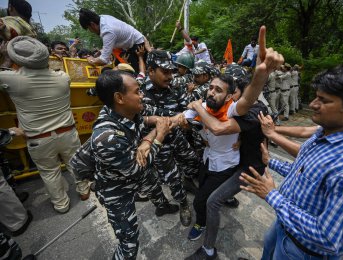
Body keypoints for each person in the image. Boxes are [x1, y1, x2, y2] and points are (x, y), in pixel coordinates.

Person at [240, 60, 343, 259]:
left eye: (324, 100)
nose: (313, 105)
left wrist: (272, 195)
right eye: (316, 97)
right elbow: (306, 176)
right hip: (285, 225)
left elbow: (328, 239)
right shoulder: (327, 131)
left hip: (301, 250)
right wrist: (271, 161)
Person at [184, 26, 284, 259]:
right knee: (212, 189)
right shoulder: (234, 106)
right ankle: (227, 197)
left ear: (233, 94)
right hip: (231, 160)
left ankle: (209, 250)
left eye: (224, 89)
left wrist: (198, 106)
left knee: (210, 201)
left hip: (248, 167)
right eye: (210, 88)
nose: (212, 93)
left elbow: (221, 126)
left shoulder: (247, 109)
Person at [91, 70, 179, 260]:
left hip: (139, 170)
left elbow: (145, 120)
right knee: (129, 243)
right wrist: (159, 136)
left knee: (154, 186)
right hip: (117, 188)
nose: (142, 96)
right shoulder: (106, 138)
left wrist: (148, 135)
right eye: (138, 91)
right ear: (119, 97)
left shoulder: (124, 109)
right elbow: (138, 169)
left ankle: (162, 206)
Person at [0, 36, 90, 213]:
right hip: (68, 133)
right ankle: (84, 191)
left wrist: (6, 58)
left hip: (38, 139)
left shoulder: (12, 80)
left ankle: (61, 204)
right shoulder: (62, 78)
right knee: (75, 164)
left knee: (50, 173)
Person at [140, 50, 200, 226]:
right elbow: (137, 120)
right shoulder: (138, 91)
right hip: (158, 146)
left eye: (172, 71)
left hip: (178, 138)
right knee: (172, 179)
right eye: (165, 72)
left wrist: (185, 120)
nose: (170, 76)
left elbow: (186, 110)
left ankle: (188, 181)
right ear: (150, 71)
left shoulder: (176, 88)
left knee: (192, 162)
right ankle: (183, 204)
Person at [78, 8, 149, 72]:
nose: (91, 31)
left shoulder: (107, 31)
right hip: (132, 43)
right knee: (120, 66)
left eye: (88, 28)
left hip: (138, 45)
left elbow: (104, 60)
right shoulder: (103, 17)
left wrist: (91, 60)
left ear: (92, 24)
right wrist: (101, 51)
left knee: (134, 73)